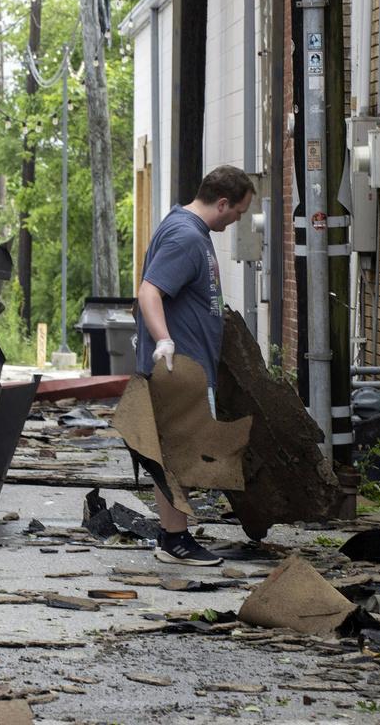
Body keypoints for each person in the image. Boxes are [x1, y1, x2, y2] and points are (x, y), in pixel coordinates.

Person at [135, 165, 255, 566]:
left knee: (173, 454)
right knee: (180, 457)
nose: (238, 218)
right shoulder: (186, 237)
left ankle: (172, 535)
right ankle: (175, 541)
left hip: (186, 364)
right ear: (222, 203)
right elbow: (150, 290)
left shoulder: (186, 229)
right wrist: (165, 341)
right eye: (238, 211)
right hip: (179, 367)